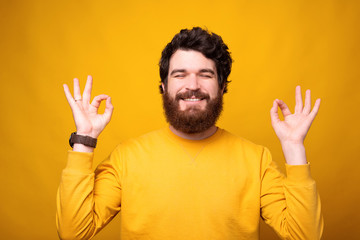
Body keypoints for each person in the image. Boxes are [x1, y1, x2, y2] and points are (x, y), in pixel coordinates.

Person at [57, 27, 323, 240]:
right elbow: (73, 232)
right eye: (180, 75)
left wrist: (294, 147)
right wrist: (85, 138)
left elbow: (305, 235)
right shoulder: (127, 157)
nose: (192, 86)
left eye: (205, 75)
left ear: (221, 86)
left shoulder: (256, 160)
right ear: (164, 86)